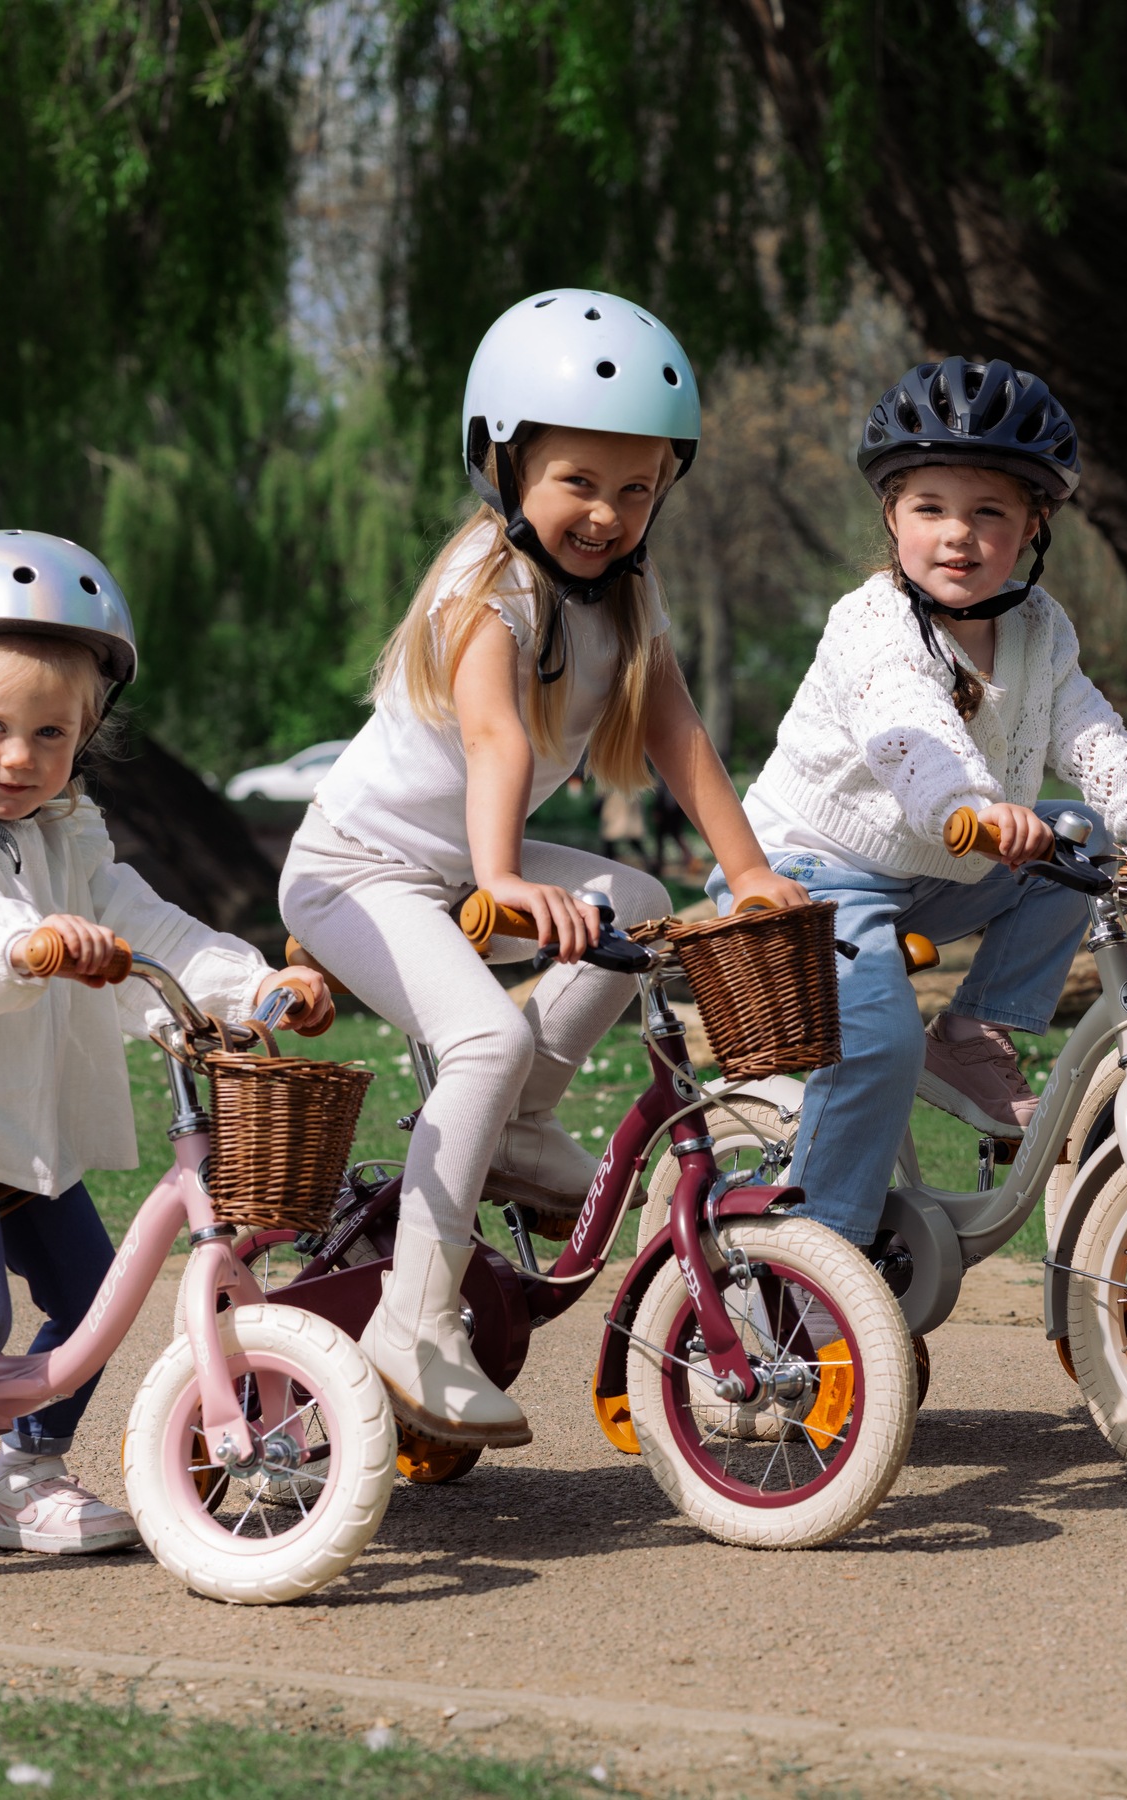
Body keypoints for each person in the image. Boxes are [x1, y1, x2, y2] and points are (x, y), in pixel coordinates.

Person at [279, 290, 805, 1448]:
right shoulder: (488, 587)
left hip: (455, 867)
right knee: (487, 1036)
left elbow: (676, 733)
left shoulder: (627, 590)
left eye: (638, 488)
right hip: (357, 870)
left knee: (643, 902)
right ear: (502, 465)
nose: (609, 514)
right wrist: (505, 874)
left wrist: (750, 872)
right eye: (579, 482)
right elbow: (494, 737)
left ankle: (514, 1132)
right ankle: (412, 1320)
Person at [0, 530, 332, 1600]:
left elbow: (154, 930)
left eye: (51, 734)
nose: (20, 758)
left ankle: (21, 1470)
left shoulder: (70, 841)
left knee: (89, 1298)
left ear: (87, 739)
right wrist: (20, 942)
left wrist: (252, 985)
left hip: (16, 1126)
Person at [724, 359, 1127, 1246]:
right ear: (891, 517)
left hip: (941, 868)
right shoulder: (872, 623)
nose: (956, 536)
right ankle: (819, 1261)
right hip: (813, 868)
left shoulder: (1039, 626)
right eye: (930, 509)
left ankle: (972, 1032)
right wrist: (969, 801)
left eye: (988, 513)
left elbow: (1095, 742)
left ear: (1034, 524)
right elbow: (905, 726)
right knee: (877, 1045)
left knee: (1083, 852)